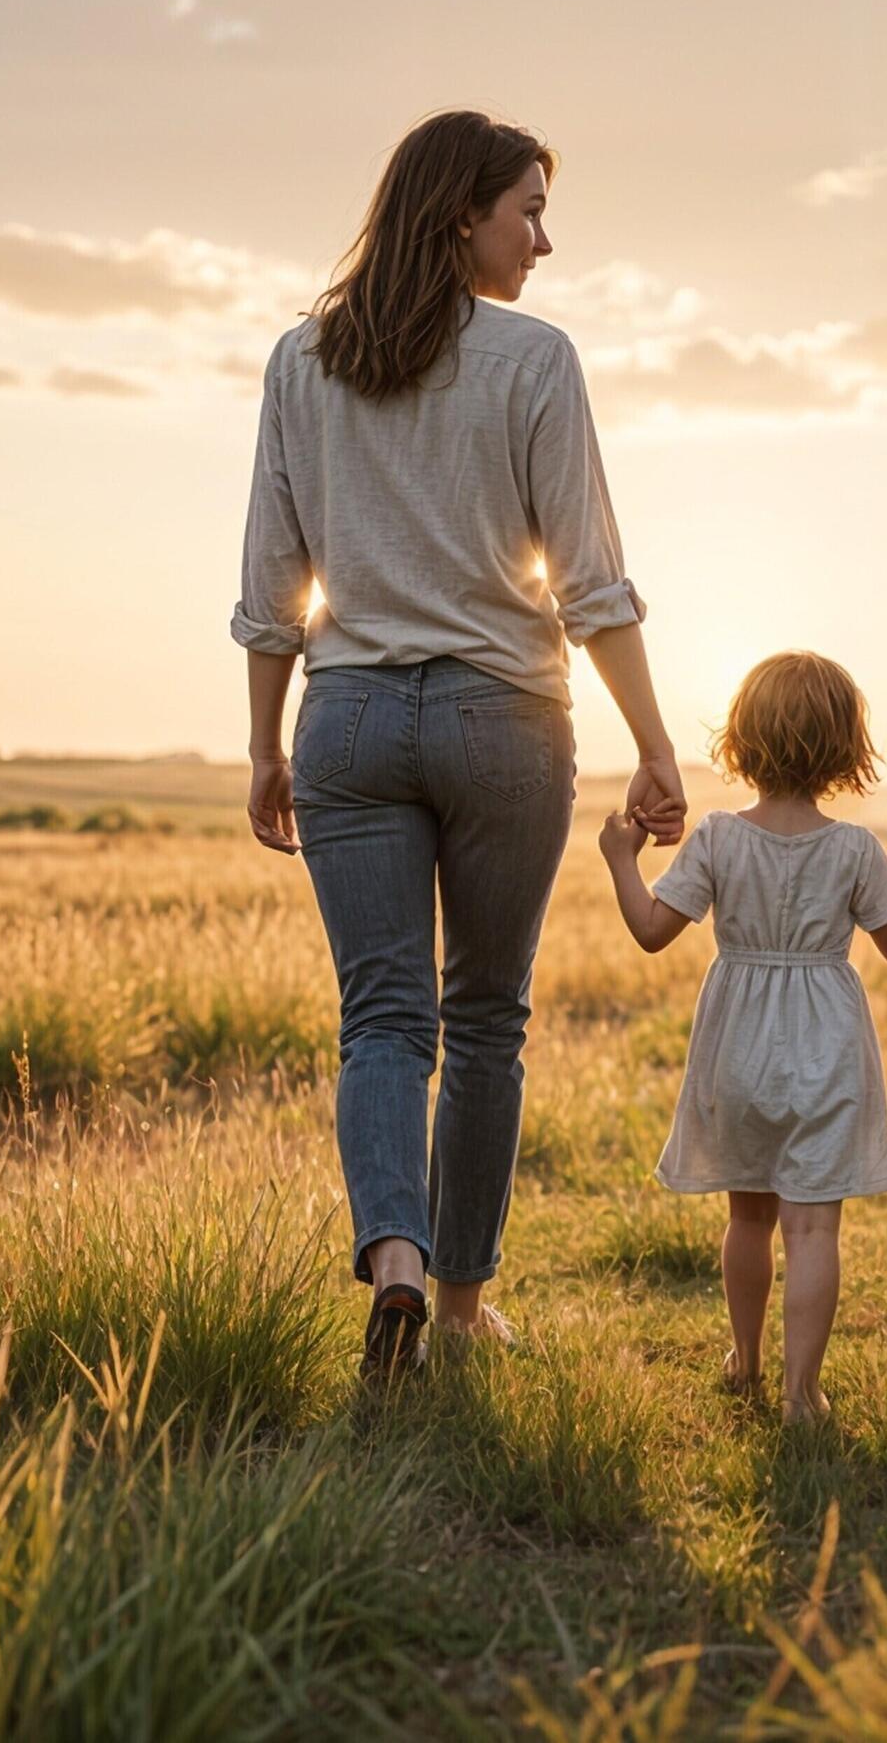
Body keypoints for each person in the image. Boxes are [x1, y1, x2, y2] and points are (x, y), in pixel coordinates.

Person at [233, 108, 688, 1381]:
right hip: (504, 717)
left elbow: (274, 583)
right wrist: (653, 743)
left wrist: (265, 742)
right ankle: (459, 1304)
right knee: (484, 1016)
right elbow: (591, 579)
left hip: (352, 719)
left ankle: (390, 1259)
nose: (545, 240)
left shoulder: (296, 362)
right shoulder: (534, 360)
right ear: (459, 217)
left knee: (381, 1015)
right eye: (527, 212)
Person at [597, 652, 887, 1424]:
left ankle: (745, 1362)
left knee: (746, 1217)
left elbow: (652, 930)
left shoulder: (717, 837)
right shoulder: (854, 850)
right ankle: (800, 1392)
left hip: (737, 1047)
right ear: (846, 746)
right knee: (813, 1225)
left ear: (743, 739)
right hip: (827, 1049)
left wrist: (621, 861)